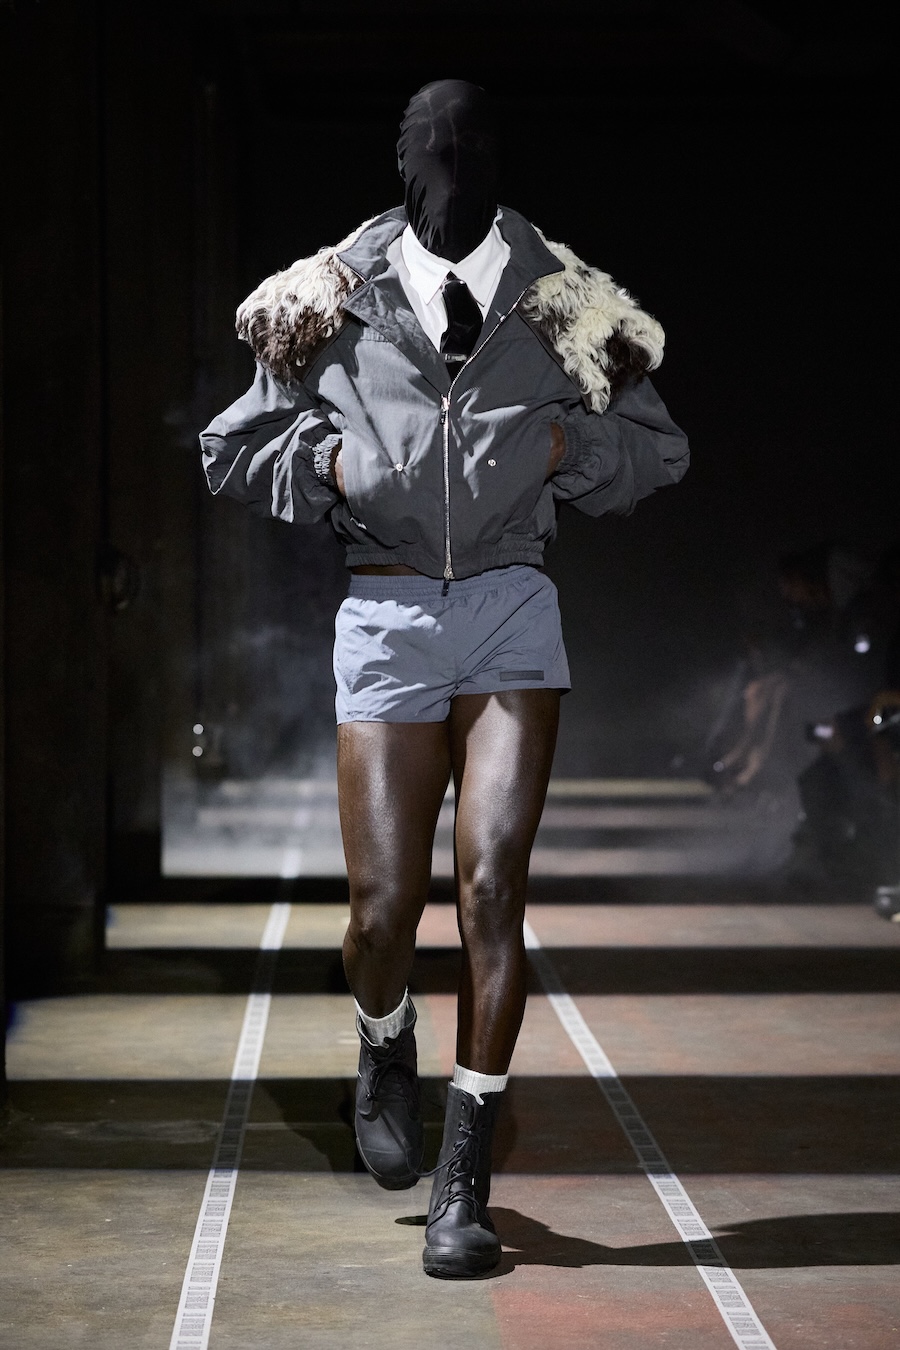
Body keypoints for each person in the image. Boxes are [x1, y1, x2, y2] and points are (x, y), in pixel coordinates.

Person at [199, 79, 688, 1278]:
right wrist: (331, 461)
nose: (451, 169)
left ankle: (464, 1178)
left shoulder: (566, 299)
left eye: (471, 150)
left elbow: (661, 449)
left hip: (513, 606)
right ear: (403, 161)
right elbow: (232, 447)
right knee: (381, 913)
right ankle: (385, 1034)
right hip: (386, 614)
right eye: (432, 151)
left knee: (490, 892)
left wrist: (568, 444)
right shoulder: (326, 296)